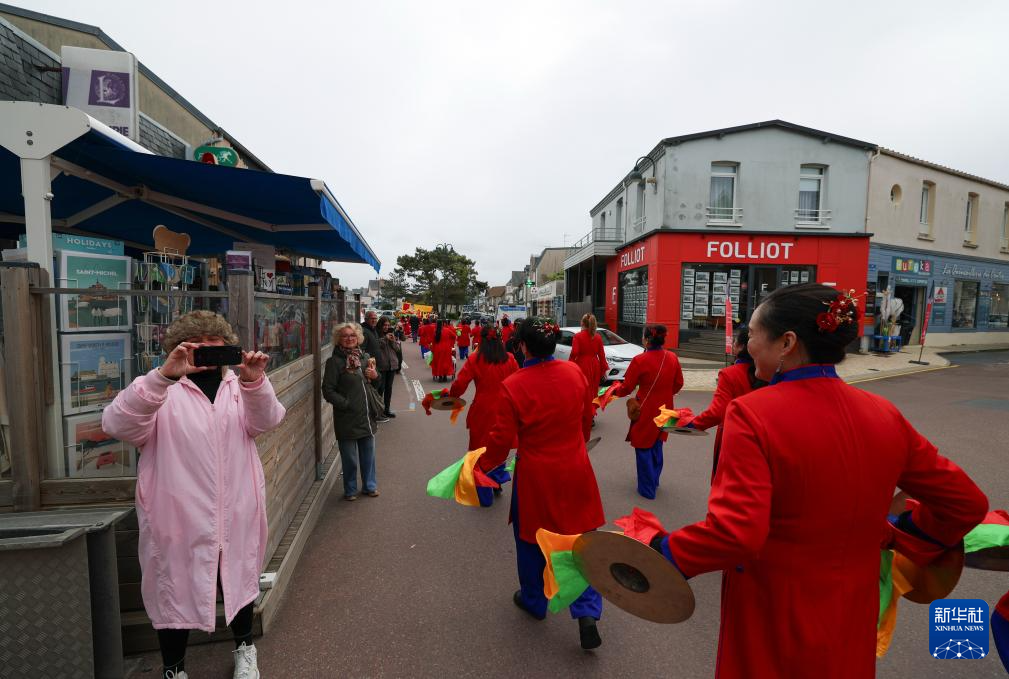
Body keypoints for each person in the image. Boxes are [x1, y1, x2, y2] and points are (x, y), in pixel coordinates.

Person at [649, 283, 988, 678]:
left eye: (754, 334)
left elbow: (736, 533)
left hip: (773, 611)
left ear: (786, 343)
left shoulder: (752, 413)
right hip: (852, 611)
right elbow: (967, 503)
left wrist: (663, 551)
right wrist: (899, 529)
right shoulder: (884, 413)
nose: (748, 344)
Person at [102, 311, 285, 679]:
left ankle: (245, 649)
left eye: (216, 345)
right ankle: (174, 669)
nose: (208, 352)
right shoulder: (158, 389)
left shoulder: (238, 387)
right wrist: (163, 377)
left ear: (228, 348)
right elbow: (115, 424)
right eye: (199, 346)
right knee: (173, 590)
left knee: (239, 580)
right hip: (177, 514)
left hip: (237, 508)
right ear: (179, 348)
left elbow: (267, 421)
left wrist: (255, 383)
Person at [477, 318, 606, 650]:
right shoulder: (574, 373)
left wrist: (483, 464)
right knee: (579, 538)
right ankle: (586, 611)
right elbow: (585, 419)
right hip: (576, 467)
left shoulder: (514, 385)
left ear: (522, 346)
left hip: (536, 474)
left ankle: (535, 600)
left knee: (532, 540)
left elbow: (501, 440)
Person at [611, 324, 684, 499]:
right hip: (667, 408)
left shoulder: (639, 360)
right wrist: (665, 394)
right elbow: (679, 383)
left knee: (643, 445)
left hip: (646, 408)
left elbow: (627, 387)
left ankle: (647, 488)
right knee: (658, 443)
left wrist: (612, 391)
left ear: (647, 340)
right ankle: (654, 479)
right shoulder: (672, 357)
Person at [683, 326, 766, 479]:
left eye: (734, 341)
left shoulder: (730, 374)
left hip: (733, 437)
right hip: (763, 439)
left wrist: (691, 423)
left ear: (741, 346)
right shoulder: (768, 372)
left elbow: (717, 412)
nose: (732, 344)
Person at [323, 322, 382, 500]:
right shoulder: (334, 362)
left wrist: (376, 376)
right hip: (346, 417)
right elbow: (328, 390)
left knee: (368, 456)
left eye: (352, 335)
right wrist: (346, 404)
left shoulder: (365, 358)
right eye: (345, 336)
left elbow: (374, 385)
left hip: (366, 415)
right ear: (338, 339)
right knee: (349, 459)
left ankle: (370, 486)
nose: (349, 338)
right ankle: (350, 489)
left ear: (358, 338)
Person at [445, 324, 519, 451]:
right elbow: (518, 384)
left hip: (482, 410)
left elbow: (460, 384)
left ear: (482, 340)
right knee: (500, 450)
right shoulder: (510, 358)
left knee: (479, 450)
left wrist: (452, 396)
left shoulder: (475, 359)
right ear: (500, 340)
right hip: (505, 409)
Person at [569, 313, 608, 389]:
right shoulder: (598, 337)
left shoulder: (577, 336)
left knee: (583, 388)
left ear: (582, 323)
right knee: (593, 389)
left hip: (582, 365)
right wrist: (603, 371)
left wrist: (570, 366)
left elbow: (574, 353)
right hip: (595, 365)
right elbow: (602, 355)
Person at [375, 316, 403, 418]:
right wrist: (384, 339)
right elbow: (376, 347)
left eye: (388, 325)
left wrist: (393, 340)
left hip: (392, 365)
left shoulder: (391, 334)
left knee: (389, 389)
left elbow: (397, 349)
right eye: (384, 325)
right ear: (380, 325)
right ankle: (379, 410)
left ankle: (387, 409)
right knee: (380, 388)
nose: (386, 327)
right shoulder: (376, 334)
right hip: (382, 366)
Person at [430, 318, 457, 382]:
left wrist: (432, 350)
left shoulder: (435, 331)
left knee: (438, 362)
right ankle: (445, 376)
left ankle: (440, 376)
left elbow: (433, 341)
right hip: (446, 348)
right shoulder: (447, 330)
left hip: (437, 348)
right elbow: (454, 336)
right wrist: (449, 342)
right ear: (442, 324)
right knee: (446, 362)